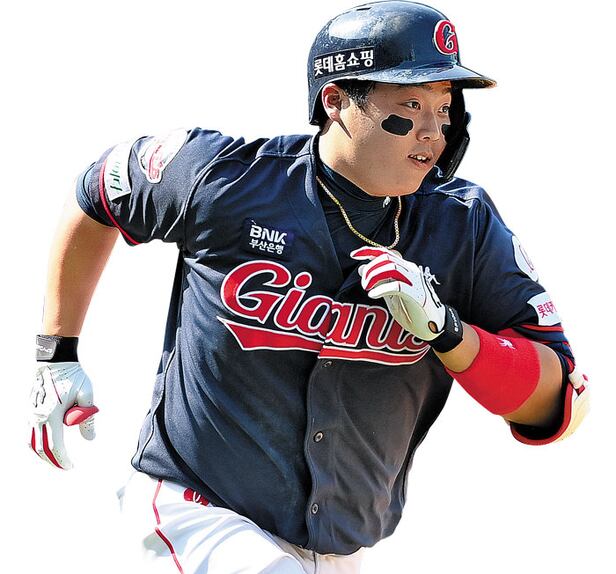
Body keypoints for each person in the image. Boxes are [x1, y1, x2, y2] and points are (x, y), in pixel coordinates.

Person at [29, 1, 589, 572]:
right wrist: (57, 353)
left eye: (444, 109)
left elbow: (559, 402)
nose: (433, 131)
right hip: (193, 513)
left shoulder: (463, 225)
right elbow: (100, 194)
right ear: (335, 100)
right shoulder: (225, 178)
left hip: (338, 549)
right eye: (410, 105)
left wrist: (449, 333)